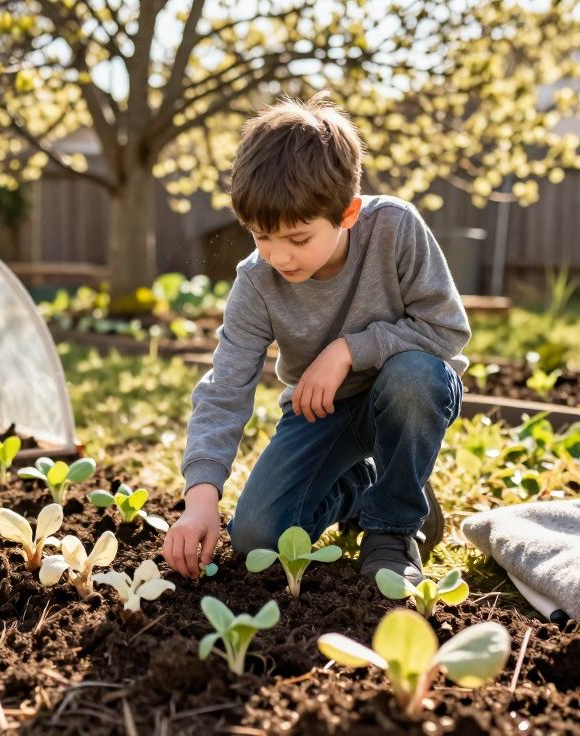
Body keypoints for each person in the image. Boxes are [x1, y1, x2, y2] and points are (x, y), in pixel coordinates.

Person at [162, 90, 470, 586]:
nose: (278, 256)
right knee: (258, 538)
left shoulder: (394, 228)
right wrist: (200, 499)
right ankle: (368, 487)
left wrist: (348, 350)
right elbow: (225, 389)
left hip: (407, 395)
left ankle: (393, 529)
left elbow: (446, 330)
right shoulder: (257, 282)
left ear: (347, 213)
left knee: (414, 379)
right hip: (322, 411)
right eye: (261, 236)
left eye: (298, 238)